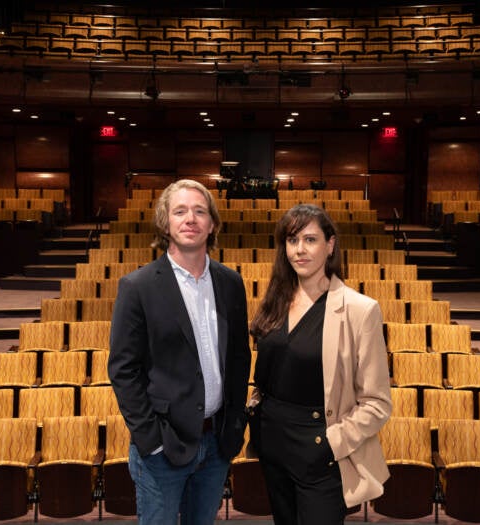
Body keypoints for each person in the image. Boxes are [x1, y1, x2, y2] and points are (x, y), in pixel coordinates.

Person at [108, 179, 251, 525]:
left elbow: (239, 358)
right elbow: (123, 370)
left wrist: (233, 427)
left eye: (200, 211)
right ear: (166, 222)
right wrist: (150, 440)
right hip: (163, 447)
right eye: (181, 211)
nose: (191, 219)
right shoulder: (137, 287)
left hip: (216, 443)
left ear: (212, 224)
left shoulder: (230, 283)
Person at [249, 203, 392, 525]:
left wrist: (332, 444)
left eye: (310, 240)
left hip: (320, 449)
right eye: (292, 240)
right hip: (273, 443)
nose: (300, 250)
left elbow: (377, 402)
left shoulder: (360, 310)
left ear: (330, 245)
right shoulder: (275, 301)